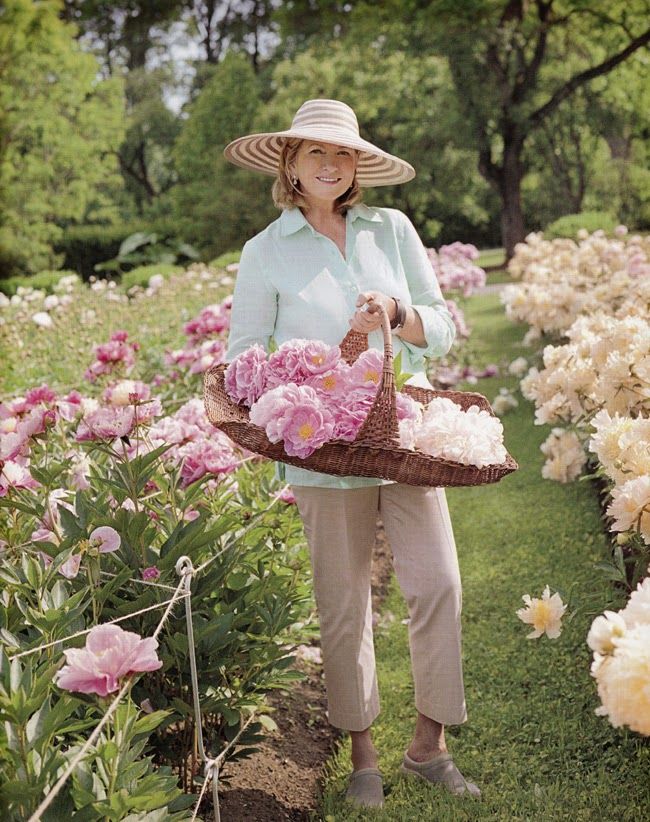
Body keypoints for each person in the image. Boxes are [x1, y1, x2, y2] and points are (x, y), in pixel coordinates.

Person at [223, 99, 481, 809]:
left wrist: (395, 314)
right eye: (315, 153)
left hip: (404, 435)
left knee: (439, 585)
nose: (331, 164)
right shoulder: (264, 251)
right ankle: (363, 757)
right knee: (343, 605)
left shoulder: (391, 229)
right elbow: (242, 356)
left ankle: (429, 746)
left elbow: (445, 329)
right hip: (321, 446)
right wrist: (308, 371)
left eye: (342, 154)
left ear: (358, 165)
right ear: (290, 165)